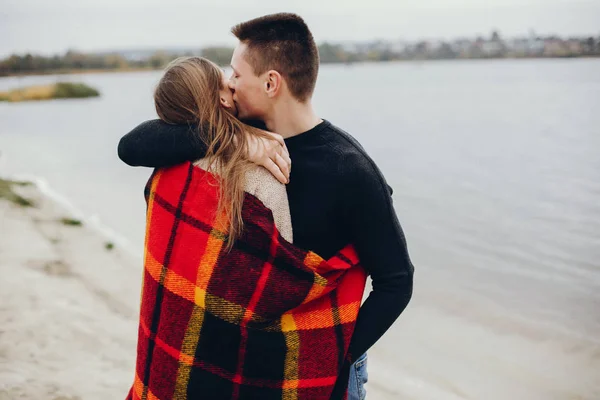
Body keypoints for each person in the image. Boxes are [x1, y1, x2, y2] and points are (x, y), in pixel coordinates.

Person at [119, 13, 414, 400]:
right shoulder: (236, 140)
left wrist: (336, 355)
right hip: (247, 363)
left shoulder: (349, 169)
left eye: (236, 75)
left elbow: (397, 281)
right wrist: (235, 142)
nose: (229, 85)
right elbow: (132, 146)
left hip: (320, 366)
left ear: (271, 82)